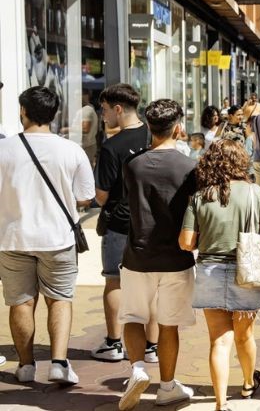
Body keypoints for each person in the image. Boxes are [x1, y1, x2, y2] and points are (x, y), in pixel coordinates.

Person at [0, 86, 95, 382]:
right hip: (58, 239)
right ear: (54, 115)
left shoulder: (3, 149)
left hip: (13, 238)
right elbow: (85, 197)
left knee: (21, 302)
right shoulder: (71, 150)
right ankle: (58, 364)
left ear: (23, 112)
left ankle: (26, 366)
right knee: (60, 299)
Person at [179, 140, 260, 410]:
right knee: (244, 336)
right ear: (240, 162)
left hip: (209, 272)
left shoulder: (200, 197)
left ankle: (221, 402)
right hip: (245, 270)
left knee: (219, 341)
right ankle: (248, 383)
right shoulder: (254, 193)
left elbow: (186, 242)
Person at [117, 99, 198, 410]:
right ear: (178, 128)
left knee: (134, 316)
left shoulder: (133, 165)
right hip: (176, 257)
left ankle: (137, 369)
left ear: (149, 127)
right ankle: (166, 386)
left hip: (137, 254)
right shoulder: (190, 167)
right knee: (168, 325)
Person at [93, 83, 155, 363]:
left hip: (120, 224)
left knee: (114, 281)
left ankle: (114, 343)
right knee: (151, 283)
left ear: (118, 109)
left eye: (104, 110)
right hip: (154, 222)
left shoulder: (111, 147)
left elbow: (102, 195)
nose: (102, 115)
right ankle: (153, 346)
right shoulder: (155, 135)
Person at [74, 91, 99, 166]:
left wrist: (66, 129)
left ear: (86, 96)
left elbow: (85, 129)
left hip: (86, 147)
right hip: (87, 146)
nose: (75, 98)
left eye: (78, 95)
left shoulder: (87, 109)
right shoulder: (88, 108)